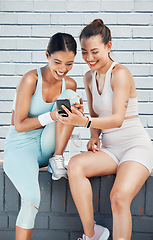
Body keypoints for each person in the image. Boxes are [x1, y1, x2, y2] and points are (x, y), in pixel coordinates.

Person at [56, 19, 153, 240]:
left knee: (118, 197)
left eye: (95, 52)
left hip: (135, 147)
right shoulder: (89, 77)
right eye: (84, 52)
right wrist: (93, 136)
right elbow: (96, 114)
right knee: (76, 166)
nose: (89, 58)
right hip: (110, 149)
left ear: (109, 47)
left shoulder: (120, 74)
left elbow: (118, 119)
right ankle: (92, 234)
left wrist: (85, 123)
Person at [3, 32, 81, 240]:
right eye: (57, 62)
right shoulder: (31, 79)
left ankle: (57, 159)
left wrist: (76, 114)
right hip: (21, 147)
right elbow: (18, 125)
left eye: (70, 64)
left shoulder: (69, 85)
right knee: (31, 198)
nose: (63, 69)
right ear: (47, 55)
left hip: (47, 145)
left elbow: (66, 119)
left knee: (72, 97)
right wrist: (51, 116)